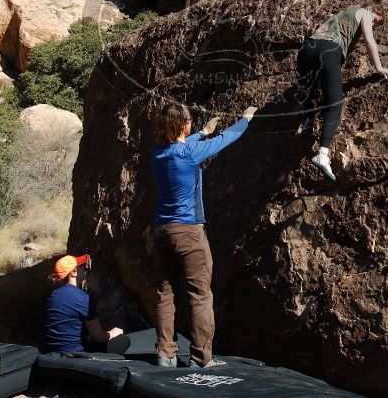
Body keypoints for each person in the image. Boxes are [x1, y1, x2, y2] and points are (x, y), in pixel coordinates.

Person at [151, 103, 258, 369]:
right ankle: (201, 358)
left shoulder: (158, 154)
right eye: (189, 121)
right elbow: (227, 138)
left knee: (164, 293)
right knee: (200, 294)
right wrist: (245, 119)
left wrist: (203, 132)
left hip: (162, 230)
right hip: (188, 231)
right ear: (182, 125)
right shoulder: (189, 153)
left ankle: (165, 354)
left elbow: (184, 145)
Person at [295, 0, 388, 181]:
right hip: (327, 50)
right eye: (376, 21)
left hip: (306, 50)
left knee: (312, 93)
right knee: (335, 103)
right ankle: (322, 155)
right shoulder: (365, 13)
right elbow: (369, 40)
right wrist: (379, 67)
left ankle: (307, 125)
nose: (373, 24)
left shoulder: (345, 12)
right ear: (374, 12)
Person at [44, 254, 129, 354]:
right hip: (75, 356)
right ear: (74, 272)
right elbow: (99, 338)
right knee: (124, 341)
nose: (84, 268)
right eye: (81, 266)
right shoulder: (82, 298)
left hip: (51, 354)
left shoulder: (52, 297)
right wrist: (113, 333)